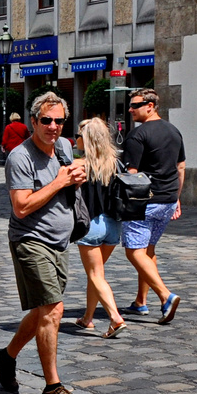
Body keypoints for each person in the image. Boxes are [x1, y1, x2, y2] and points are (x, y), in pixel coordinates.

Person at [0, 92, 86, 394]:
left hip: (61, 242)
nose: (54, 126)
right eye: (46, 120)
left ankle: (7, 357)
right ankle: (52, 386)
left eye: (59, 121)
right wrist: (60, 182)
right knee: (53, 310)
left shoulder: (64, 147)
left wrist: (76, 179)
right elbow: (21, 207)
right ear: (34, 122)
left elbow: (67, 184)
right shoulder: (21, 157)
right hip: (31, 240)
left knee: (42, 310)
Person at [121, 89, 183, 323]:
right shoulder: (174, 131)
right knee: (148, 250)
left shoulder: (137, 135)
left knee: (134, 251)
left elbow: (132, 175)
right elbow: (181, 167)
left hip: (144, 202)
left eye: (135, 105)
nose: (130, 109)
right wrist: (177, 197)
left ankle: (165, 296)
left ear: (150, 106)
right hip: (167, 200)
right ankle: (140, 302)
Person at [70, 118, 126, 339]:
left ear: (86, 139)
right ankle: (87, 318)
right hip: (113, 225)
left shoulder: (79, 165)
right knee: (96, 274)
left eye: (79, 135)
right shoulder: (115, 162)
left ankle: (115, 318)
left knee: (95, 274)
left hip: (91, 224)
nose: (76, 139)